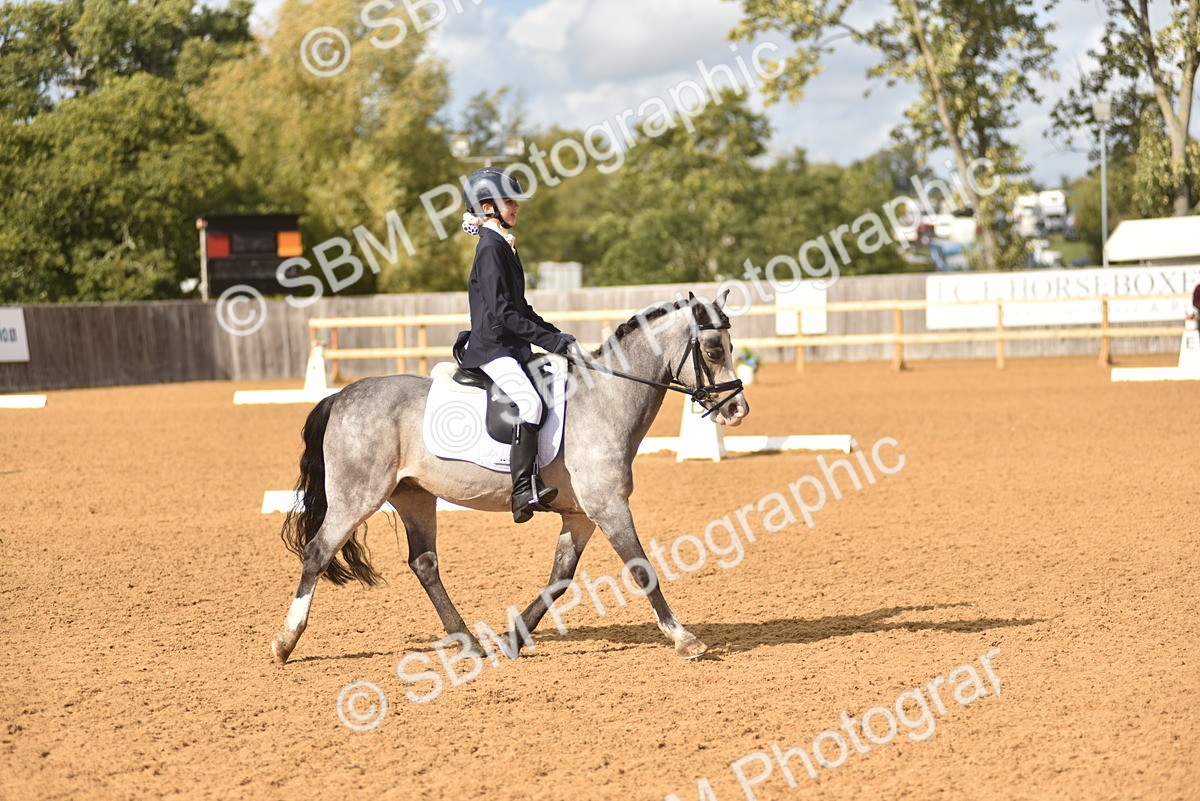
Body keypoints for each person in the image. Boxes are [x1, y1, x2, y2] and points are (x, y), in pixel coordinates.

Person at [456, 167, 577, 524]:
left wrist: (557, 336)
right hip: (492, 348)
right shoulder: (490, 248)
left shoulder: (502, 244)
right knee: (530, 404)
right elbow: (505, 314)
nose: (515, 207)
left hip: (511, 347)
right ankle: (523, 491)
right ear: (487, 206)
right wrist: (550, 341)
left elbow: (522, 308)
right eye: (508, 201)